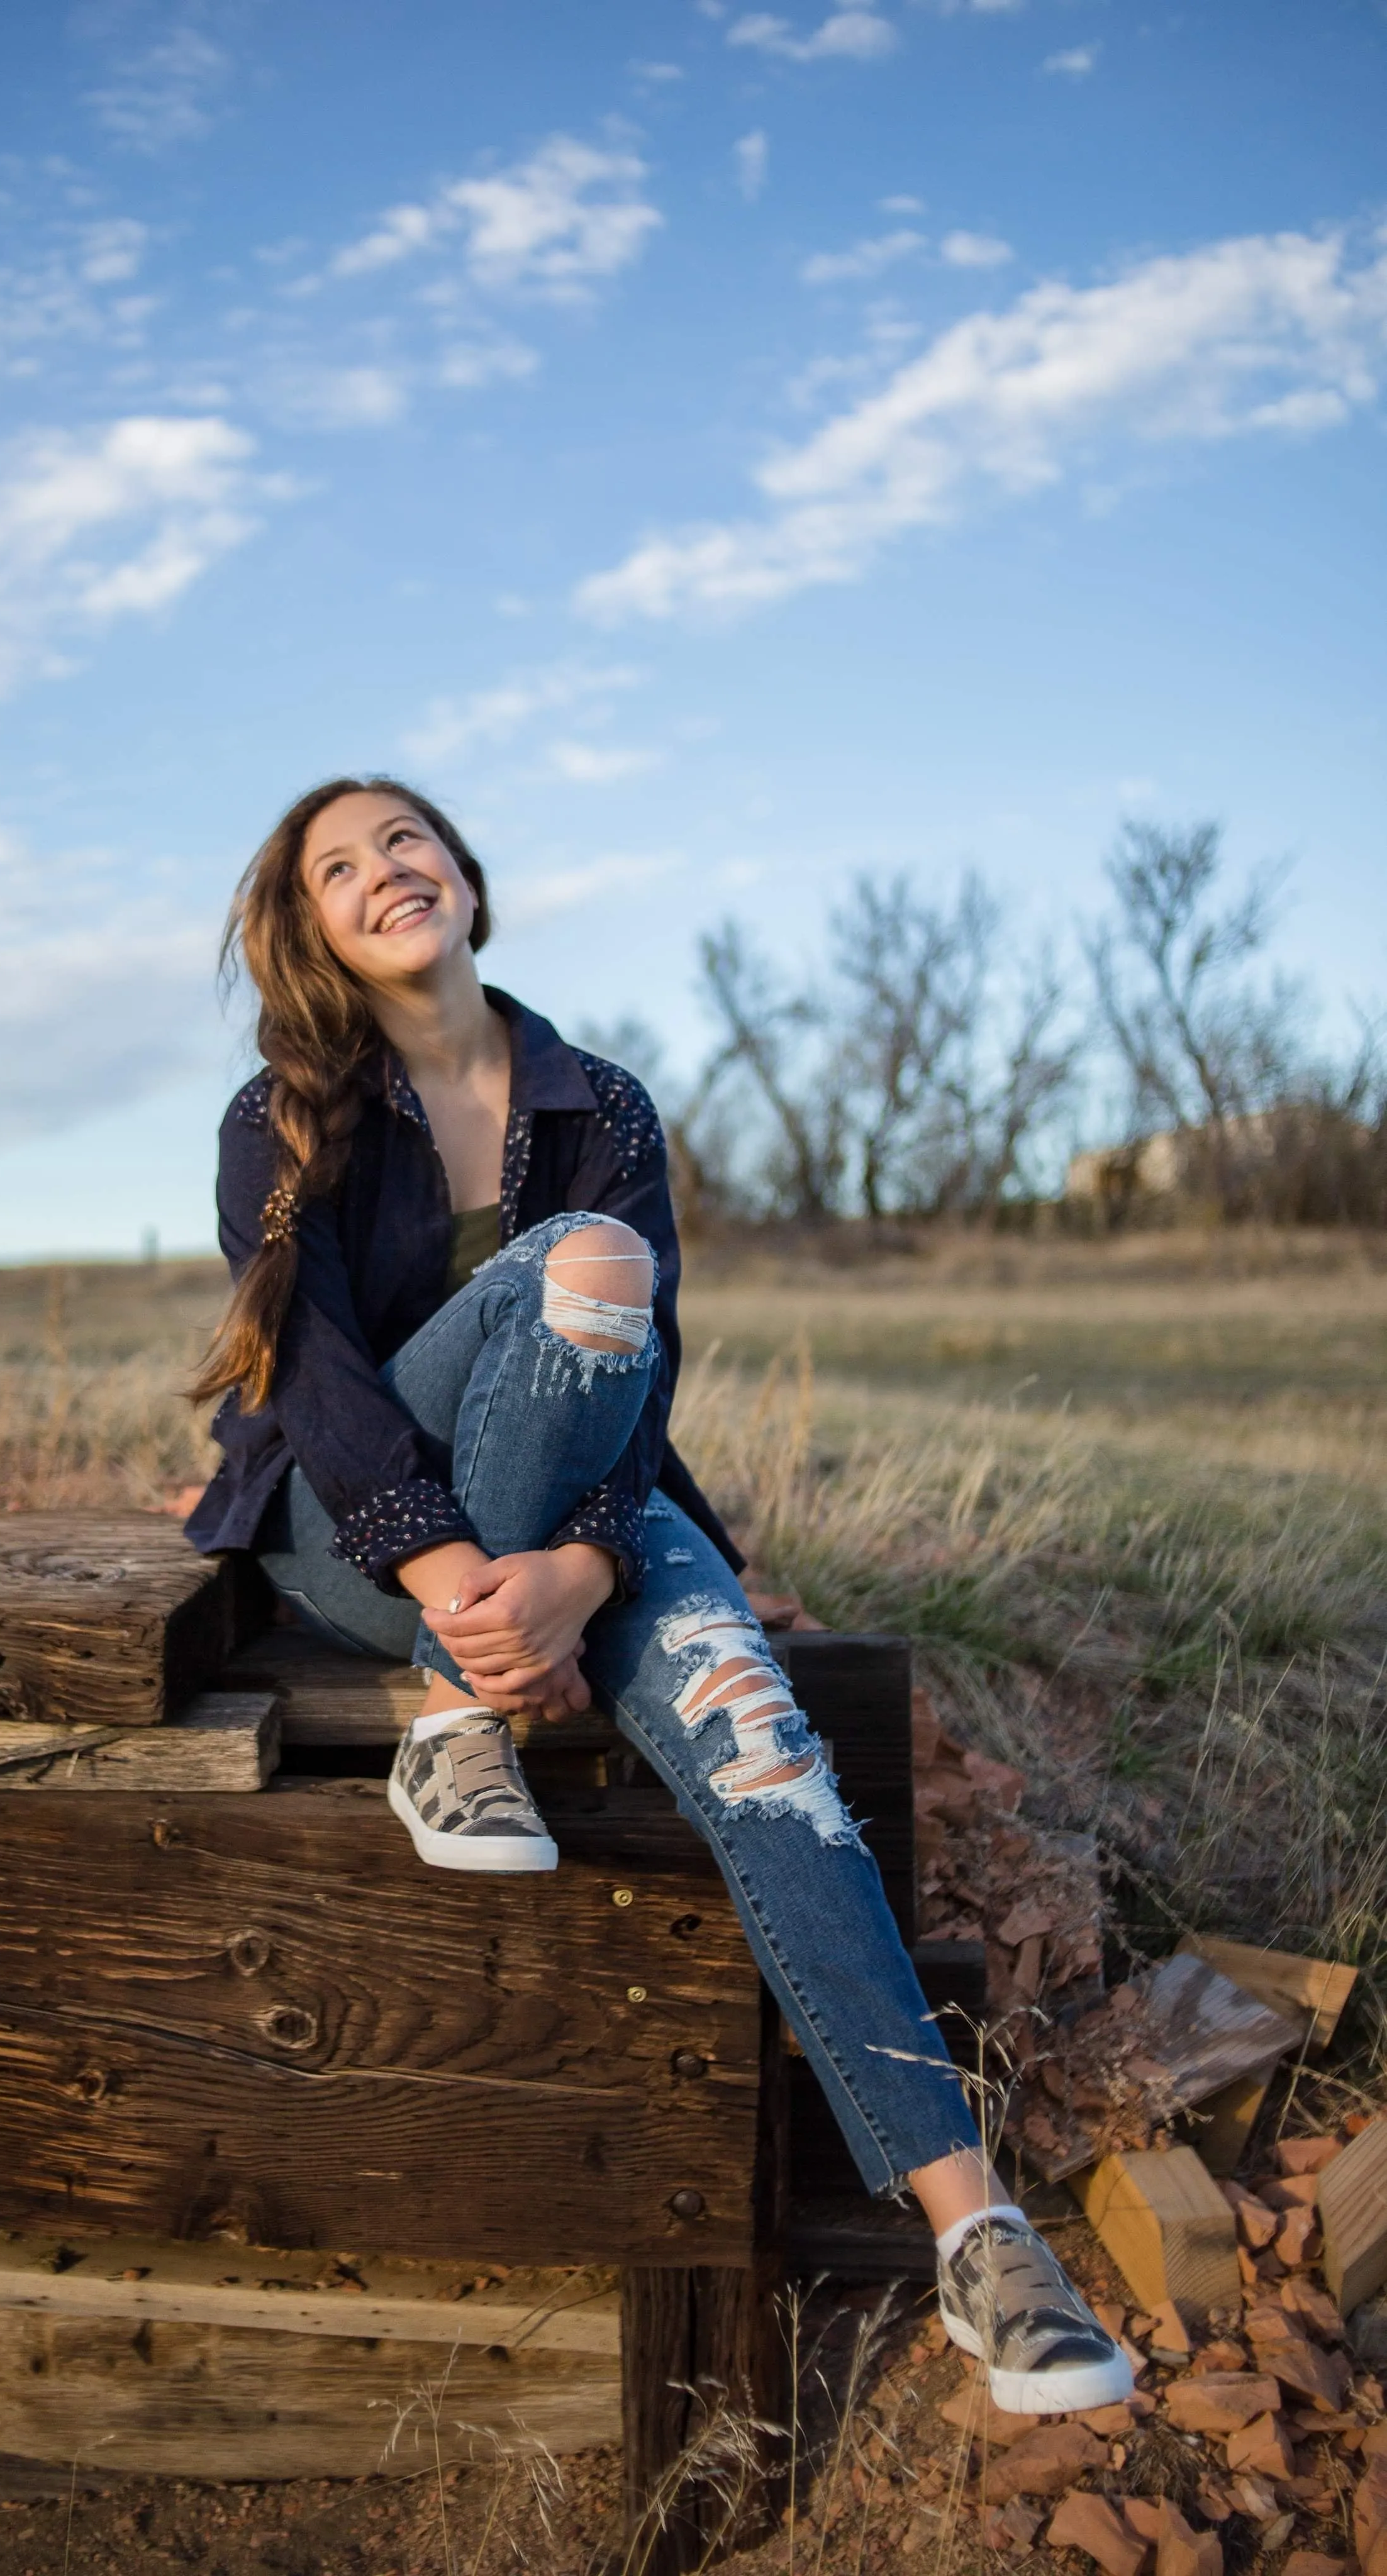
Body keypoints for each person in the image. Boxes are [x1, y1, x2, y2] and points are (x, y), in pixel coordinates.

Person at [185, 775, 1132, 2416]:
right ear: (315, 932)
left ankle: (978, 2240)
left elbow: (646, 1381)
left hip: (585, 1535)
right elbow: (320, 1394)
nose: (383, 869)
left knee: (762, 1744)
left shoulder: (600, 1103)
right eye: (339, 867)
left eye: (404, 838)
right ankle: (449, 1710)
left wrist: (582, 1567)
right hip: (353, 1537)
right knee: (574, 1270)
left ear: (467, 875)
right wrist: (470, 1594)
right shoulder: (283, 1116)